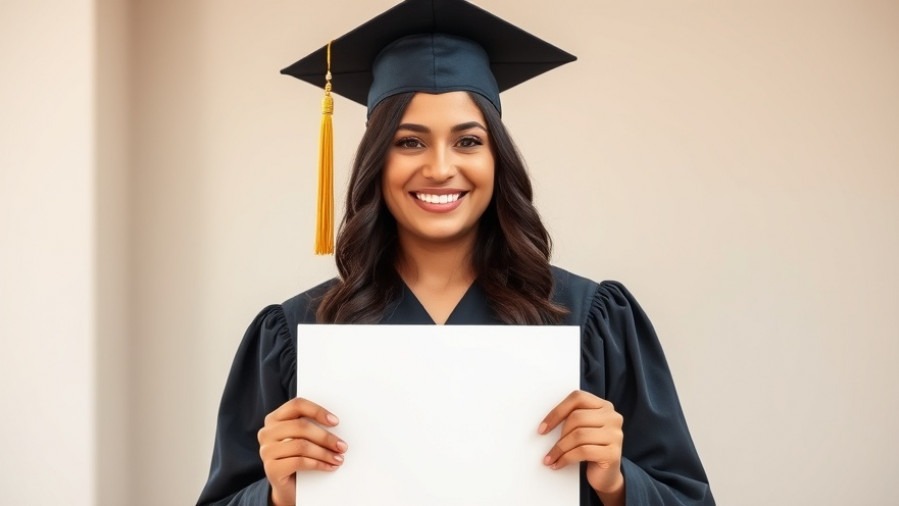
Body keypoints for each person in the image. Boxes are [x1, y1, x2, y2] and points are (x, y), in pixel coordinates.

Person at [197, 0, 714, 504]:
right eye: (409, 142)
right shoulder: (297, 333)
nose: (441, 168)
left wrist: (618, 485)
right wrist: (279, 497)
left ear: (498, 159)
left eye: (467, 141)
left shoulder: (590, 319)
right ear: (377, 160)